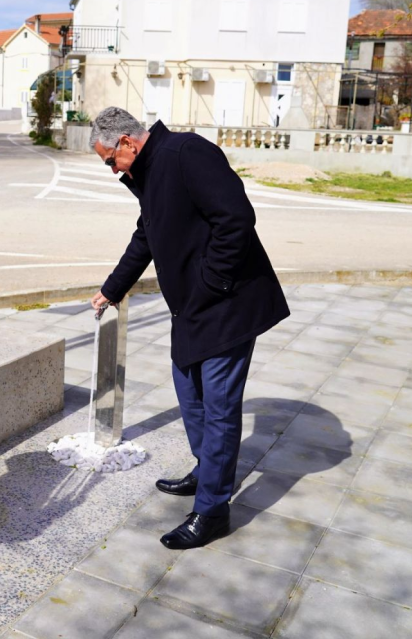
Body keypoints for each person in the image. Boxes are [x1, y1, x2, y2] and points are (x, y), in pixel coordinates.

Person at [88, 106, 289, 550]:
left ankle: (212, 509)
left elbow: (236, 218)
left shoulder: (186, 152)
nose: (111, 169)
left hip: (227, 303)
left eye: (110, 160)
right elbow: (147, 234)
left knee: (217, 407)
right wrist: (112, 288)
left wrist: (210, 282)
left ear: (126, 143)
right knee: (189, 394)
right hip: (193, 308)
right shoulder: (150, 172)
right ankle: (207, 470)